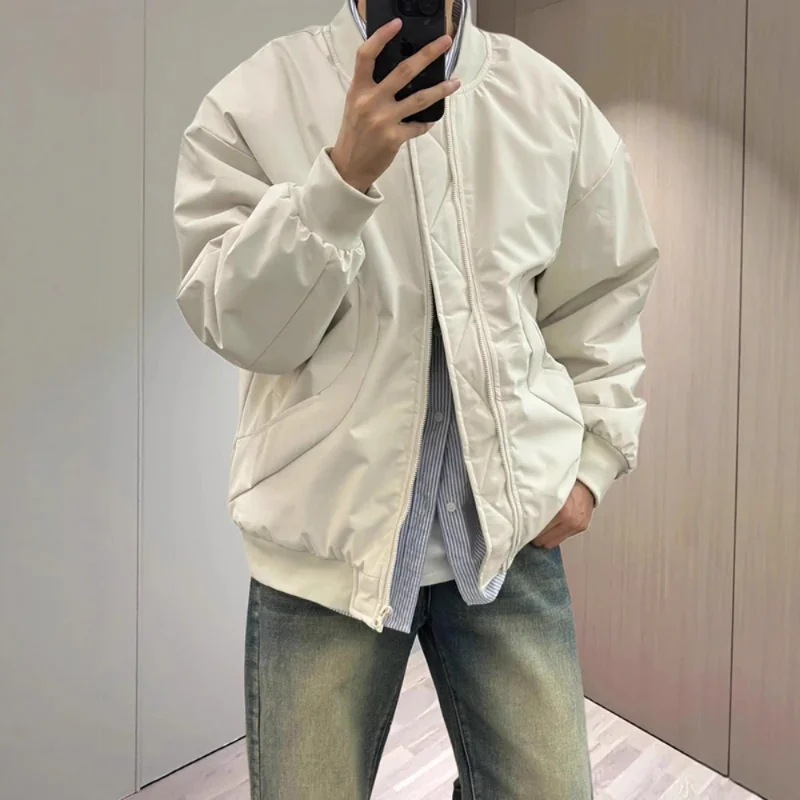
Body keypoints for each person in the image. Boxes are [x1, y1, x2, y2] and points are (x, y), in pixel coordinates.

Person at [173, 0, 658, 797]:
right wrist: (339, 179)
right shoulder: (253, 101)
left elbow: (603, 292)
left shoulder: (550, 104)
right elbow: (237, 322)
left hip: (507, 539)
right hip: (323, 553)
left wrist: (593, 461)